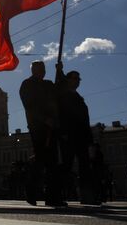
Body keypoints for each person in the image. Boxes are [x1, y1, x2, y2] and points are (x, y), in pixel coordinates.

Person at [19, 60, 64, 207]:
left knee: (52, 161)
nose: (43, 71)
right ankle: (31, 192)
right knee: (40, 159)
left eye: (44, 68)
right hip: (38, 127)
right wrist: (44, 119)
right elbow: (29, 106)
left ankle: (52, 197)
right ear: (33, 70)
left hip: (52, 127)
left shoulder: (48, 84)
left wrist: (60, 72)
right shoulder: (27, 84)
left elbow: (60, 92)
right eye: (40, 68)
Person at [57, 68, 97, 205]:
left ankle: (87, 196)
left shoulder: (79, 98)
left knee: (85, 167)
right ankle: (59, 194)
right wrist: (60, 70)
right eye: (74, 78)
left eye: (78, 79)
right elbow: (61, 116)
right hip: (69, 136)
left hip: (82, 137)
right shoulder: (64, 95)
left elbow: (85, 121)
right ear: (68, 80)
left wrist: (90, 141)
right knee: (66, 166)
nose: (77, 81)